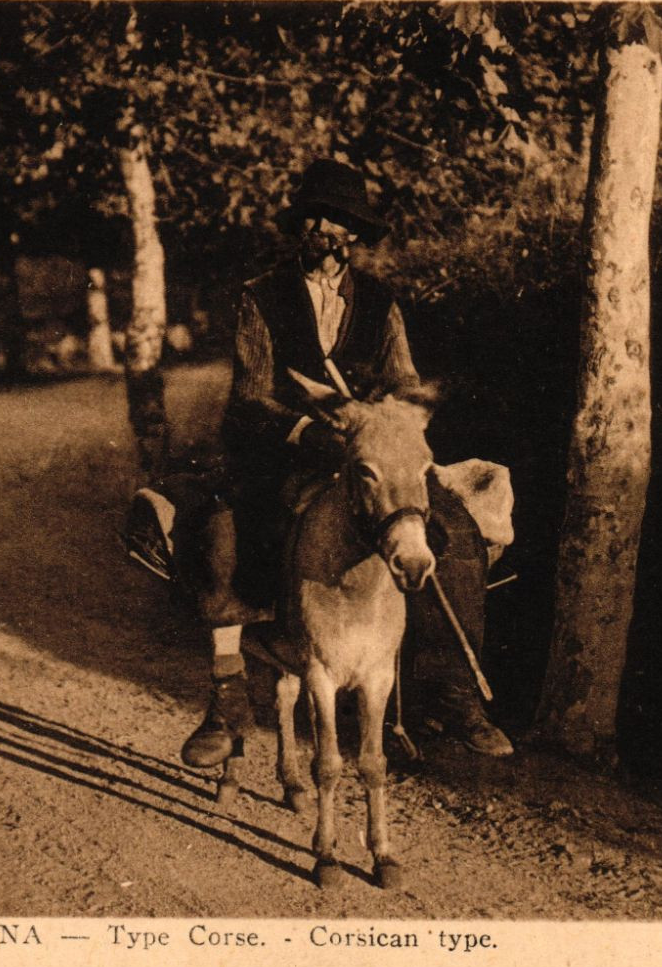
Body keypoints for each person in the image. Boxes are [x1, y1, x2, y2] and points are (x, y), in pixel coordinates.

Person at [178, 158, 514, 768]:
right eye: (316, 218)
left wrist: (387, 423)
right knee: (226, 523)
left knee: (453, 527)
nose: (326, 231)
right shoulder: (261, 296)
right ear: (299, 227)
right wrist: (311, 431)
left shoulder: (381, 304)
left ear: (355, 235)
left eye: (340, 222)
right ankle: (227, 699)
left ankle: (452, 693)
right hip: (288, 447)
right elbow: (252, 395)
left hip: (370, 449)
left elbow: (405, 383)